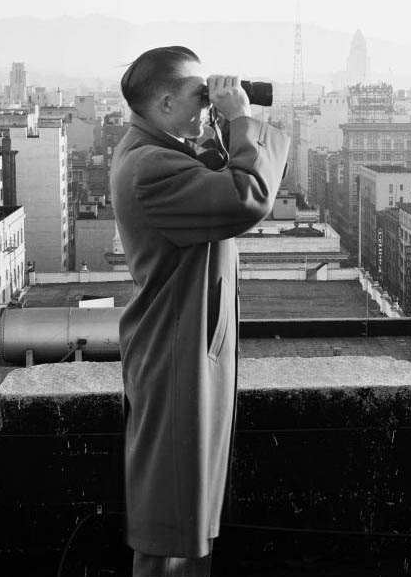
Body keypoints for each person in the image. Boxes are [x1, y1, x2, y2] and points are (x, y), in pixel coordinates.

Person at [110, 46, 289, 576]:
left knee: (188, 512)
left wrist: (222, 121)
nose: (206, 102)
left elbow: (215, 169)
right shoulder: (149, 166)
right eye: (197, 95)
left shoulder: (154, 147)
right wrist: (239, 118)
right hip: (174, 352)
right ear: (166, 102)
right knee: (169, 521)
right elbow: (246, 195)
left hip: (183, 341)